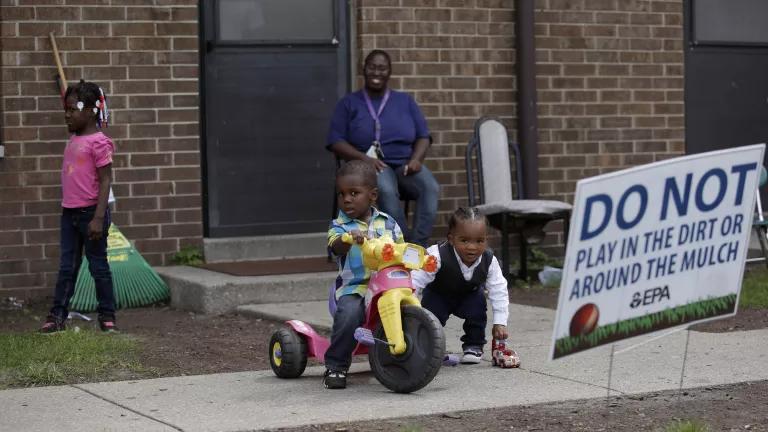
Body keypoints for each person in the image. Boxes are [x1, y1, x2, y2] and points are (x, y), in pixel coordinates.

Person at [327, 49, 439, 247]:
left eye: (382, 68)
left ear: (389, 72)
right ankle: (401, 244)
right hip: (371, 165)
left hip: (405, 164)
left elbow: (423, 136)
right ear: (364, 70)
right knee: (385, 189)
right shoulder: (349, 103)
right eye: (372, 67)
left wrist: (416, 160)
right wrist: (364, 158)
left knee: (430, 187)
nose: (376, 72)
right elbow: (335, 141)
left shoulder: (405, 101)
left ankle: (418, 245)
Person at [40, 80, 117, 334]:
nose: (67, 114)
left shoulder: (99, 142)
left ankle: (107, 317)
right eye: (67, 109)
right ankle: (57, 316)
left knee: (98, 266)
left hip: (91, 214)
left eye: (72, 109)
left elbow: (106, 180)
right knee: (67, 267)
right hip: (69, 212)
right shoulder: (74, 139)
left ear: (91, 111)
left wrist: (98, 217)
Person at [324, 160, 404, 389]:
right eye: (341, 194)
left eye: (354, 193)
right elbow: (334, 246)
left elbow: (401, 249)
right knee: (349, 314)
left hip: (388, 286)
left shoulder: (389, 223)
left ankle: (417, 351)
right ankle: (336, 365)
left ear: (373, 195)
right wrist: (347, 239)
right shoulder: (339, 225)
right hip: (356, 287)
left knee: (413, 306)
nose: (346, 199)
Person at [411, 207, 511, 364]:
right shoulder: (436, 255)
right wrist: (410, 302)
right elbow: (416, 280)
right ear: (451, 238)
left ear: (486, 239)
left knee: (478, 308)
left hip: (468, 295)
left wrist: (500, 321)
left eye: (479, 241)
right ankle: (425, 346)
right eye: (464, 240)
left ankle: (474, 345)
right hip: (438, 294)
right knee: (430, 319)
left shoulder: (489, 260)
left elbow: (499, 289)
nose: (472, 247)